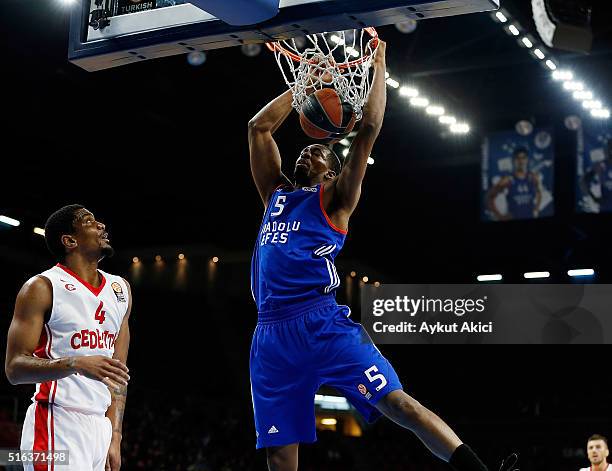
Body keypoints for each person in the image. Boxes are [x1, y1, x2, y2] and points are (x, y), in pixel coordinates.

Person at [248, 41, 502, 471]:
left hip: (321, 320)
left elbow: (368, 129)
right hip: (271, 333)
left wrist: (379, 65)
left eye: (319, 151)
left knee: (400, 405)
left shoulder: (336, 199)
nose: (308, 150)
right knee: (280, 452)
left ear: (332, 170)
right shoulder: (276, 194)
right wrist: (303, 83)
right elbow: (258, 128)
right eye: (306, 149)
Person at [4, 205, 131, 471]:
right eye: (89, 222)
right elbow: (14, 368)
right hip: (56, 422)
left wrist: (115, 435)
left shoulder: (121, 290)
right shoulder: (41, 287)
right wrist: (76, 363)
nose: (101, 225)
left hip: (101, 429)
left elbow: (118, 375)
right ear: (70, 240)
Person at [487, 147, 542, 220]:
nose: (521, 161)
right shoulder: (507, 179)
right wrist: (500, 216)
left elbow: (539, 193)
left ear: (527, 160)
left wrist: (536, 208)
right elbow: (489, 197)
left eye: (523, 158)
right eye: (518, 158)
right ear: (513, 160)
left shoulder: (533, 177)